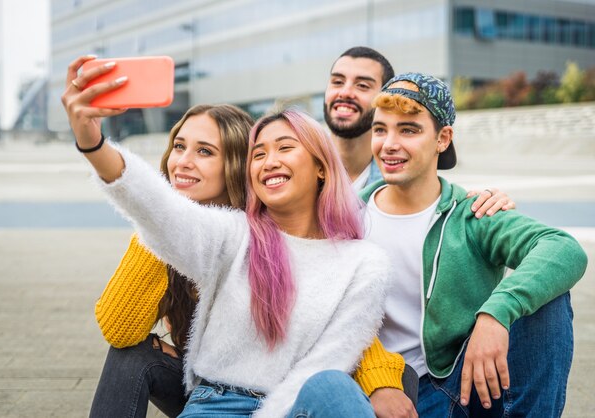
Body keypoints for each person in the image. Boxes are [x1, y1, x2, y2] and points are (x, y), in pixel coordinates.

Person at [62, 55, 394, 418]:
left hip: (294, 404)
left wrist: (383, 381)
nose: (182, 162)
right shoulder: (234, 236)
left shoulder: (363, 260)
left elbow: (342, 346)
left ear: (320, 166)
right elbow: (158, 212)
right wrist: (93, 144)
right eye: (259, 153)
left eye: (284, 148)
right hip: (214, 402)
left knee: (331, 385)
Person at [302, 72, 588, 417]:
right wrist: (376, 383)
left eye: (408, 129)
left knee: (548, 299)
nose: (389, 143)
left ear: (442, 138)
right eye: (381, 129)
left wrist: (495, 313)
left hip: (462, 385)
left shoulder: (472, 213)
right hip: (379, 390)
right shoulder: (347, 219)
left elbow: (562, 248)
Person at [90, 103, 254, 417]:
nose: (182, 162)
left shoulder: (256, 233)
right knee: (131, 355)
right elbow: (117, 328)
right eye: (179, 147)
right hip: (198, 386)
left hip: (255, 397)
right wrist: (155, 226)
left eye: (204, 152)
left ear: (235, 164)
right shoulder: (157, 233)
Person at [324, 47, 511, 222]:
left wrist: (492, 209)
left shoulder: (409, 182)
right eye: (337, 82)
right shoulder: (300, 169)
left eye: (362, 85)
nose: (345, 92)